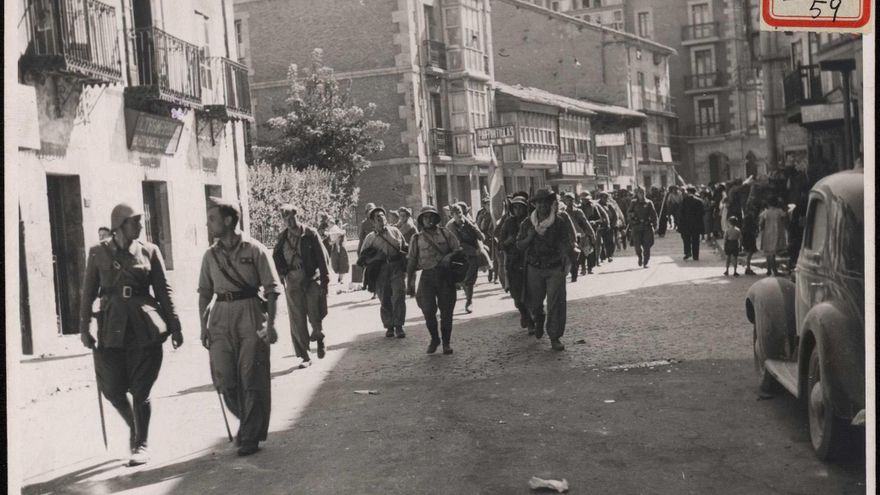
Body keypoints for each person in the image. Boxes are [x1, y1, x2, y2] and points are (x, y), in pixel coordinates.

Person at [79, 203, 183, 466]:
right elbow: (88, 293)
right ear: (120, 225)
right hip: (111, 327)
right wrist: (84, 327)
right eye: (135, 221)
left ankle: (141, 444)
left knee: (141, 388)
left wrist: (175, 325)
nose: (140, 225)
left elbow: (163, 291)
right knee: (112, 388)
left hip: (143, 327)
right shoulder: (97, 253)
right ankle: (134, 427)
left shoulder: (150, 251)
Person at [199, 197, 281, 456]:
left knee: (252, 376)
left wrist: (272, 325)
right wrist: (203, 326)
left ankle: (249, 435)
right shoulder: (210, 255)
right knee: (225, 379)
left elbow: (272, 290)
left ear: (228, 220)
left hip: (250, 313)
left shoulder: (255, 249)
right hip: (220, 315)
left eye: (212, 218)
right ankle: (249, 424)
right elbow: (204, 292)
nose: (208, 223)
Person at [516, 188, 574, 351]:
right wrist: (530, 236)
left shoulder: (559, 222)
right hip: (534, 267)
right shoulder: (527, 223)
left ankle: (555, 336)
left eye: (545, 202)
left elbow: (566, 241)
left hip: (555, 267)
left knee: (556, 303)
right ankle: (538, 318)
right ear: (534, 205)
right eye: (539, 202)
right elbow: (519, 246)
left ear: (551, 203)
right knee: (534, 303)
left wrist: (565, 255)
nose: (542, 205)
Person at [272, 204, 330, 367]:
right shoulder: (282, 237)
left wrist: (325, 280)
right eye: (285, 219)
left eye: (291, 217)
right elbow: (276, 256)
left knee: (314, 311)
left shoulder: (310, 234)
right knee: (297, 318)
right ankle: (305, 355)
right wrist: (282, 273)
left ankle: (319, 338)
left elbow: (322, 258)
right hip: (292, 279)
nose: (289, 221)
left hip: (311, 277)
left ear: (297, 216)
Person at [406, 205, 462, 354]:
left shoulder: (445, 233)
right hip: (427, 277)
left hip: (445, 276)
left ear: (436, 218)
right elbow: (411, 261)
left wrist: (449, 257)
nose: (429, 220)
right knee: (428, 310)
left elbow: (458, 249)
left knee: (447, 311)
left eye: (431, 216)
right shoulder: (416, 238)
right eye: (425, 217)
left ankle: (446, 343)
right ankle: (434, 338)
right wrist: (409, 282)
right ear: (421, 220)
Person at [360, 206, 408, 337]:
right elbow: (362, 258)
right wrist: (375, 257)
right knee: (385, 297)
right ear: (372, 222)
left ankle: (399, 325)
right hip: (380, 270)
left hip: (396, 267)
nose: (381, 219)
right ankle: (389, 326)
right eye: (377, 217)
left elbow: (404, 247)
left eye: (382, 216)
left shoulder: (395, 232)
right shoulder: (370, 238)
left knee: (399, 294)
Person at [498, 193, 535, 333]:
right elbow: (500, 244)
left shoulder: (531, 221)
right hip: (514, 263)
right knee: (517, 297)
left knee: (531, 295)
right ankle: (524, 314)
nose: (518, 211)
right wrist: (509, 241)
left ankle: (532, 321)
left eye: (521, 207)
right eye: (515, 208)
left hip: (530, 261)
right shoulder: (508, 223)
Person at [446, 202, 484, 313]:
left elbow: (481, 237)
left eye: (460, 212)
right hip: (459, 255)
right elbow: (458, 244)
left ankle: (469, 301)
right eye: (455, 213)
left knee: (470, 279)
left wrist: (473, 226)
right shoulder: (450, 226)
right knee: (460, 279)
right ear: (451, 215)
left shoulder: (468, 222)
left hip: (473, 254)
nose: (458, 215)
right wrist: (473, 251)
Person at [561, 192, 594, 282]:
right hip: (568, 237)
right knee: (571, 256)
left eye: (571, 200)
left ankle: (581, 269)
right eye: (567, 200)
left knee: (582, 253)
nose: (569, 202)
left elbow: (585, 222)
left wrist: (592, 233)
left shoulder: (578, 211)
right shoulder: (563, 213)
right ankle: (574, 271)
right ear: (564, 201)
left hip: (580, 235)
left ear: (573, 200)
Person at [627, 186, 658, 268]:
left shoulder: (649, 202)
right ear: (637, 194)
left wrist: (655, 225)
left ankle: (646, 262)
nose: (642, 194)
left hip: (646, 226)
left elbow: (654, 215)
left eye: (643, 192)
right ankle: (640, 257)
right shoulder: (633, 203)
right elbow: (629, 213)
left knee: (647, 245)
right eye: (640, 192)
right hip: (636, 227)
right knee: (637, 246)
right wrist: (633, 218)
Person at [759, 196, 788, 276]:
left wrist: (761, 230)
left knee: (768, 252)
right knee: (773, 253)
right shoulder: (779, 211)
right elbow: (785, 218)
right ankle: (774, 270)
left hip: (767, 233)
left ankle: (769, 269)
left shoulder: (766, 212)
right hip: (776, 233)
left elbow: (761, 223)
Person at [678, 185, 705, 261]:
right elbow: (702, 213)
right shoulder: (699, 201)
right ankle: (695, 256)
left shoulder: (684, 200)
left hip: (686, 224)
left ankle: (687, 252)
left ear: (688, 192)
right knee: (695, 240)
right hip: (696, 224)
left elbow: (681, 213)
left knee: (686, 239)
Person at [475, 196, 497, 283]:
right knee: (489, 255)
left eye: (490, 203)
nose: (489, 205)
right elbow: (479, 225)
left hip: (494, 237)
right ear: (484, 205)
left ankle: (496, 276)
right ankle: (490, 272)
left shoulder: (495, 213)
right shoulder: (482, 215)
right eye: (487, 204)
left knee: (496, 257)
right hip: (486, 238)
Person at [597, 192, 617, 262]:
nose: (605, 199)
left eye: (606, 197)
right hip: (601, 226)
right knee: (601, 242)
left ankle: (610, 255)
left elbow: (615, 215)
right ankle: (602, 256)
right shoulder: (597, 205)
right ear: (600, 197)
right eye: (603, 197)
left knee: (610, 242)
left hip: (609, 226)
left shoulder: (609, 205)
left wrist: (613, 225)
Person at [741, 206, 759, 275]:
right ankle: (748, 268)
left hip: (748, 237)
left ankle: (748, 267)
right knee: (749, 253)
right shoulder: (749, 218)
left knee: (749, 253)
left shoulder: (747, 218)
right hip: (749, 238)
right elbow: (752, 227)